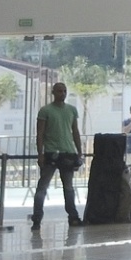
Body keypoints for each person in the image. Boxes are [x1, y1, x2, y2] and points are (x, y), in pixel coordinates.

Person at [32, 82, 84, 229]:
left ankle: (73, 217)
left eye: (64, 91)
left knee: (68, 187)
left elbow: (75, 132)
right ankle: (37, 218)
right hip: (51, 153)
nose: (62, 94)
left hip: (68, 152)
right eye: (59, 91)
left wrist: (79, 151)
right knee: (42, 186)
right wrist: (40, 153)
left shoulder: (72, 110)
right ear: (53, 93)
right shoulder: (45, 111)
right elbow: (40, 133)